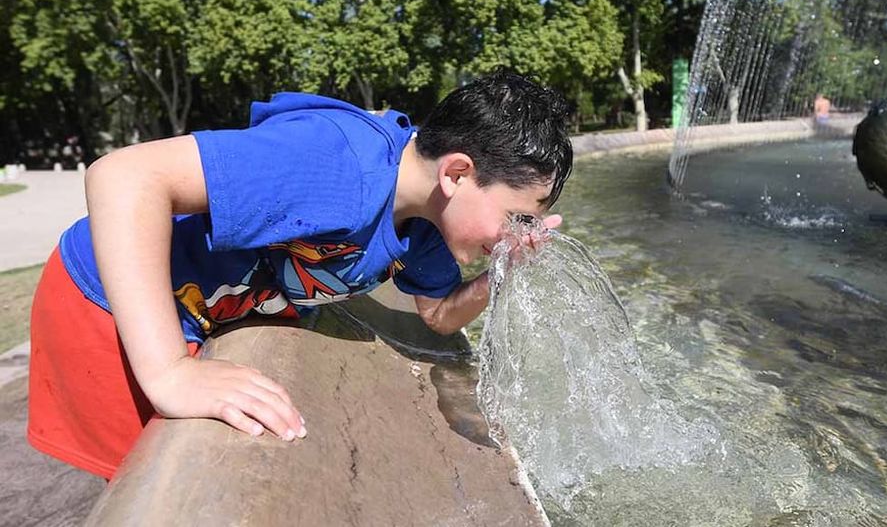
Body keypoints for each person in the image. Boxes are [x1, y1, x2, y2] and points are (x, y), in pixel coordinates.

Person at [26, 68, 572, 479]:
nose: (517, 232)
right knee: (144, 483)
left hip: (197, 312)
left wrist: (493, 277)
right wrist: (169, 370)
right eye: (516, 215)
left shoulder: (427, 223)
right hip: (110, 305)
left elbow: (436, 316)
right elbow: (122, 176)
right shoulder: (337, 165)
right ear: (457, 172)